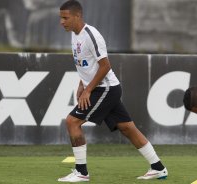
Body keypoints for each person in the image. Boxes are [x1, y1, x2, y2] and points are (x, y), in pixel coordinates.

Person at [58, 0, 168, 182]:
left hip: (105, 88)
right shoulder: (74, 34)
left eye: (65, 17)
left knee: (72, 122)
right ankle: (158, 167)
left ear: (78, 16)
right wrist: (81, 84)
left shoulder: (91, 36)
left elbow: (105, 66)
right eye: (61, 18)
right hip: (101, 88)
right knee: (127, 128)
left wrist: (88, 90)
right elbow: (85, 64)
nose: (62, 21)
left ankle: (81, 172)